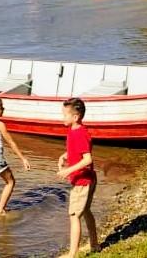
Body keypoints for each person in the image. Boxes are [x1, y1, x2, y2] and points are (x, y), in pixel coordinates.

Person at [57, 98, 99, 258]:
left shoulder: (79, 133)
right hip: (88, 179)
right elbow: (77, 151)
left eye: (65, 115)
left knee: (74, 216)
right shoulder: (74, 131)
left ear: (75, 117)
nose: (62, 118)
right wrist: (65, 155)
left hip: (83, 181)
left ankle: (72, 254)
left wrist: (69, 170)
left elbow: (88, 159)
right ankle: (94, 244)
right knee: (86, 211)